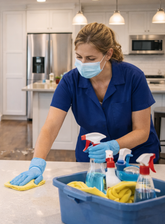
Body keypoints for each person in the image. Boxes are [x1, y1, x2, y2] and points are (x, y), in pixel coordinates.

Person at [11, 22, 160, 187]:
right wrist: (37, 162)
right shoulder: (70, 81)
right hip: (92, 158)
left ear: (108, 54)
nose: (83, 63)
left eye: (91, 58)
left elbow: (142, 131)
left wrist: (114, 146)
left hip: (136, 159)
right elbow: (50, 127)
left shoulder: (133, 77)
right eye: (79, 57)